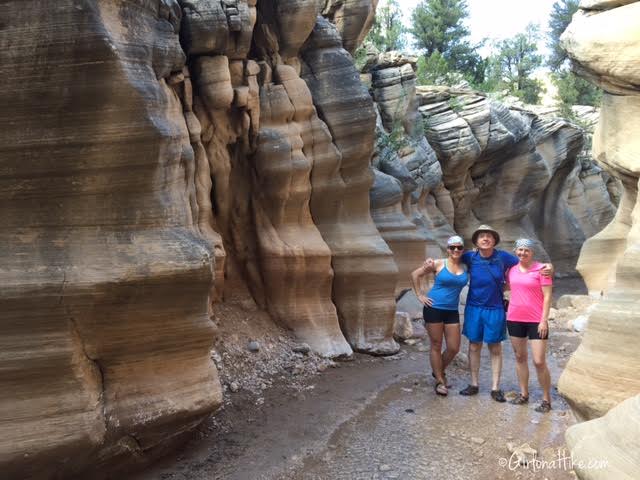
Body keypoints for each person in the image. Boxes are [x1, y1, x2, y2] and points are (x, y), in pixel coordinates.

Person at [423, 225, 552, 403]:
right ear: (476, 241)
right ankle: (474, 384)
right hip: (474, 308)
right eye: (481, 236)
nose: (485, 239)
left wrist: (548, 266)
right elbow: (451, 257)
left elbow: (526, 264)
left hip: (496, 308)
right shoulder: (469, 256)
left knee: (495, 348)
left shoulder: (504, 257)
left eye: (489, 236)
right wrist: (431, 261)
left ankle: (495, 387)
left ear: (494, 240)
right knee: (474, 346)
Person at [411, 235, 468, 396]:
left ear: (463, 249)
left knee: (453, 348)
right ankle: (440, 381)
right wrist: (420, 295)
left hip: (452, 311)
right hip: (433, 307)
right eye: (452, 247)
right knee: (436, 345)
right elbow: (415, 274)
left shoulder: (466, 266)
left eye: (459, 247)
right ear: (447, 249)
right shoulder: (437, 263)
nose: (456, 250)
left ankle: (437, 371)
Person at [506, 239, 553, 413]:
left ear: (532, 252)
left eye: (526, 250)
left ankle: (546, 399)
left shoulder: (542, 269)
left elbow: (547, 296)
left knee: (539, 361)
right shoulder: (511, 271)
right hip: (515, 318)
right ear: (515, 251)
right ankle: (524, 394)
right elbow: (506, 287)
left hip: (536, 320)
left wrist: (544, 320)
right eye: (520, 250)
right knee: (520, 357)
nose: (523, 253)